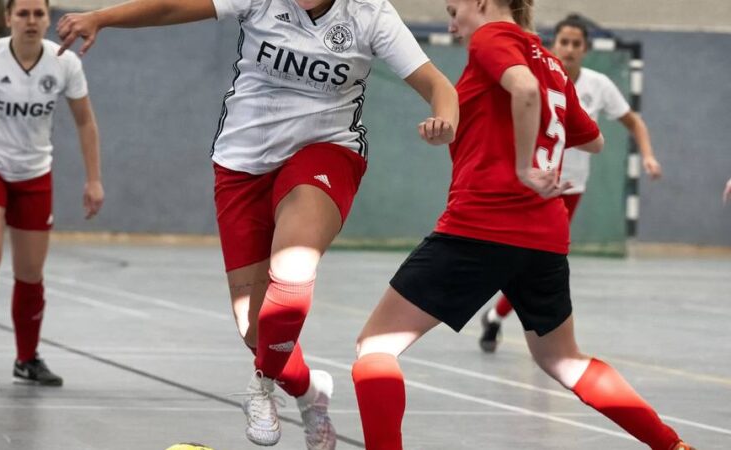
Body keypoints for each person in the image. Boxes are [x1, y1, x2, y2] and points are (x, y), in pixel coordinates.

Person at [56, 0, 458, 448]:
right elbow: (171, 8)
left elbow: (438, 85)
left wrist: (445, 119)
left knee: (293, 266)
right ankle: (308, 391)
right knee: (256, 328)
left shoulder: (369, 13)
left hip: (326, 151)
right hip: (243, 162)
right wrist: (100, 17)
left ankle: (262, 385)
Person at [351, 1, 693, 449]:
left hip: (480, 227)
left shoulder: (493, 39)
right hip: (544, 238)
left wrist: (523, 166)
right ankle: (672, 445)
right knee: (564, 360)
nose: (452, 24)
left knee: (374, 348)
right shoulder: (551, 62)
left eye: (456, 9)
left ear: (483, 3)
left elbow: (525, 90)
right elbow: (594, 139)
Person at [0, 0, 104, 390]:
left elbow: (85, 121)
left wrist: (94, 179)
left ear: (49, 19)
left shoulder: (65, 64)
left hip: (33, 171)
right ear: (8, 18)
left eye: (38, 14)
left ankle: (27, 359)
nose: (30, 21)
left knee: (30, 273)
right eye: (22, 13)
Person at [478, 13, 665, 353]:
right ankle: (510, 320)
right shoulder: (534, 76)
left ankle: (497, 316)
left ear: (586, 49)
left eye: (576, 44)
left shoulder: (598, 85)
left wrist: (649, 156)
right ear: (553, 44)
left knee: (539, 260)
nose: (569, 49)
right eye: (564, 41)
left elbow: (633, 122)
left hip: (569, 188)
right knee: (523, 257)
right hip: (531, 182)